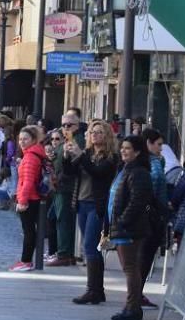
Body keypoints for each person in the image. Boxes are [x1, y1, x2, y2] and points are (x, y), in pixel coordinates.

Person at [64, 120, 119, 305]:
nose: (95, 135)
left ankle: (92, 290)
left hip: (97, 205)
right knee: (91, 247)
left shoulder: (111, 157)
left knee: (89, 246)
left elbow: (97, 172)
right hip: (81, 201)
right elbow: (70, 172)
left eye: (99, 132)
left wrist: (80, 156)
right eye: (92, 132)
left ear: (107, 136)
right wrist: (67, 156)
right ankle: (98, 290)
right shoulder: (87, 153)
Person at [106, 135, 155, 320]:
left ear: (138, 151)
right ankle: (131, 305)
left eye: (128, 148)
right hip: (120, 226)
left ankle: (132, 307)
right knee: (129, 267)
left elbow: (138, 201)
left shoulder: (139, 172)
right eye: (122, 148)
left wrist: (123, 221)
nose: (123, 151)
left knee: (130, 268)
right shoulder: (125, 169)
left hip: (130, 228)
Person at [138, 128, 170, 308]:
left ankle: (136, 292)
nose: (160, 149)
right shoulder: (154, 163)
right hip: (152, 216)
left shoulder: (149, 161)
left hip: (147, 215)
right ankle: (136, 293)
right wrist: (161, 205)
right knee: (145, 256)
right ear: (148, 144)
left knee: (143, 256)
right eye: (158, 145)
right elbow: (156, 181)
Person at [10, 126, 47, 272]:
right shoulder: (32, 154)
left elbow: (28, 182)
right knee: (30, 230)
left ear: (33, 140)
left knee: (29, 231)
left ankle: (26, 261)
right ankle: (26, 260)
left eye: (25, 139)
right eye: (20, 139)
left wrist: (22, 201)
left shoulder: (31, 157)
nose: (22, 142)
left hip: (29, 198)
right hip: (32, 197)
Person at [45, 116, 81, 267]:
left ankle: (64, 253)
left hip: (67, 187)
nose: (65, 127)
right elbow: (58, 161)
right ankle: (63, 252)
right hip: (59, 186)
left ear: (76, 125)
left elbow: (72, 164)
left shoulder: (76, 141)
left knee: (63, 220)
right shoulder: (64, 142)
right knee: (57, 219)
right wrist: (51, 156)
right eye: (63, 125)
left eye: (69, 125)